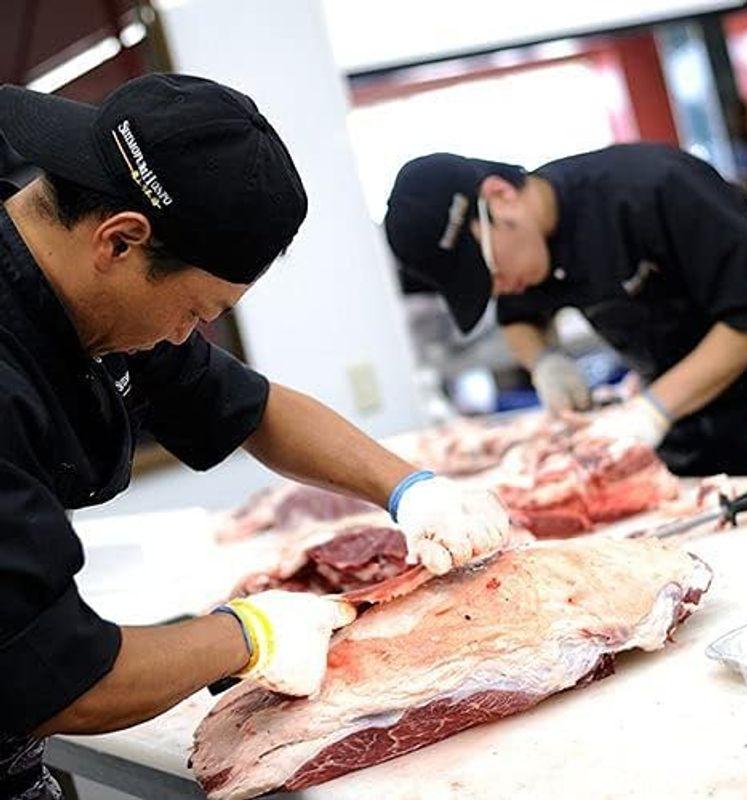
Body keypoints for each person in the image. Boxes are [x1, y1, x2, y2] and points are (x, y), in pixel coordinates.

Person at [0, 74, 509, 799]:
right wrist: (248, 635)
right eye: (197, 310)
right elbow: (55, 677)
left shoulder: (84, 284)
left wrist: (411, 489)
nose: (190, 334)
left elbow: (250, 407)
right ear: (120, 240)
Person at [384, 144, 747, 476]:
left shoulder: (656, 187)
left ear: (500, 196)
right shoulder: (525, 250)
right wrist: (546, 363)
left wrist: (651, 410)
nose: (498, 289)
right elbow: (519, 318)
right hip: (691, 421)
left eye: (489, 272)